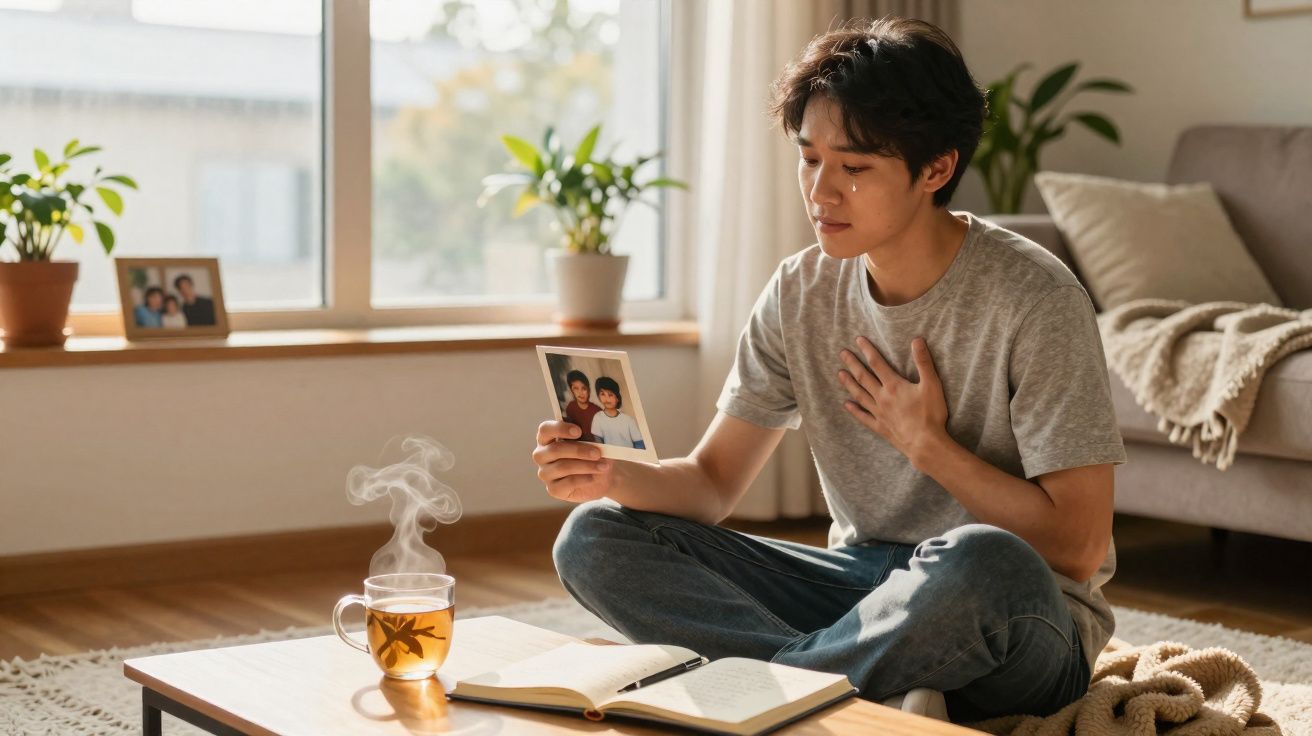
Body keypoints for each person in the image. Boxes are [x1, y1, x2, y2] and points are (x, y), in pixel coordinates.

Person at [532, 16, 1126, 724]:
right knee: (596, 535)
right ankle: (849, 690)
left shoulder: (1036, 298)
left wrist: (928, 446)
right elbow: (714, 483)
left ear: (935, 169)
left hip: (1020, 614)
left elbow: (1080, 547)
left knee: (981, 561)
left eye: (854, 168)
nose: (820, 193)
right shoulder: (800, 290)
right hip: (864, 591)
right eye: (809, 159)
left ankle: (773, 696)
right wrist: (610, 476)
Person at [588, 377, 646, 450]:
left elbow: (639, 443)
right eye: (602, 394)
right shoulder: (598, 418)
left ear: (617, 398)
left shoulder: (628, 420)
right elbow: (598, 442)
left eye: (610, 395)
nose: (606, 398)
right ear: (598, 396)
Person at [562, 370, 603, 442]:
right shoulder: (571, 407)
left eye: (584, 389)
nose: (580, 393)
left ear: (589, 390)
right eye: (576, 388)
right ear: (572, 391)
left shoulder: (597, 411)